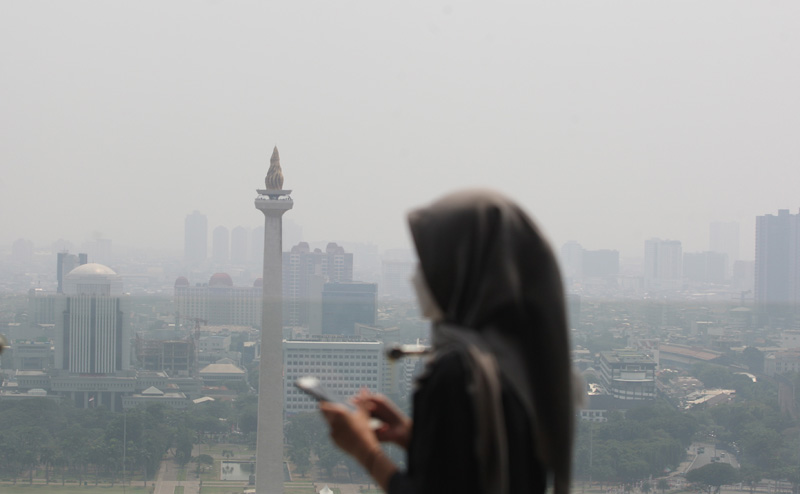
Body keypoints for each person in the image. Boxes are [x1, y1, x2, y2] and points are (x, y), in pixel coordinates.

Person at [320, 189, 574, 494]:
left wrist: (363, 448)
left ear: (461, 271)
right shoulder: (523, 361)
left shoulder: (458, 372)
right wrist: (415, 436)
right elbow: (481, 471)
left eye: (429, 264)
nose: (417, 278)